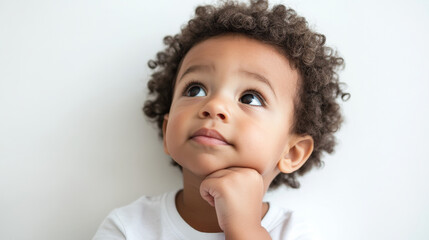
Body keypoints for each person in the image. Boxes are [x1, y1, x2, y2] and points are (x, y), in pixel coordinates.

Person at [93, 0, 349, 239]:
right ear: (168, 128)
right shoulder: (129, 227)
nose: (214, 106)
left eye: (250, 98)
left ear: (292, 152)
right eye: (195, 90)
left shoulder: (294, 232)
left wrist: (245, 229)